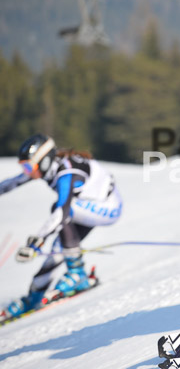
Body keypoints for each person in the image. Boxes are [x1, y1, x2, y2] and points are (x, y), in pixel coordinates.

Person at [0, 134, 123, 319]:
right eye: (23, 167)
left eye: (28, 166)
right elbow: (12, 183)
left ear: (43, 161)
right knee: (57, 252)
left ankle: (77, 273)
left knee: (62, 211)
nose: (27, 172)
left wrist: (37, 241)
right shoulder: (49, 167)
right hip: (86, 208)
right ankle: (33, 298)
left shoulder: (66, 172)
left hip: (108, 207)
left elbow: (63, 209)